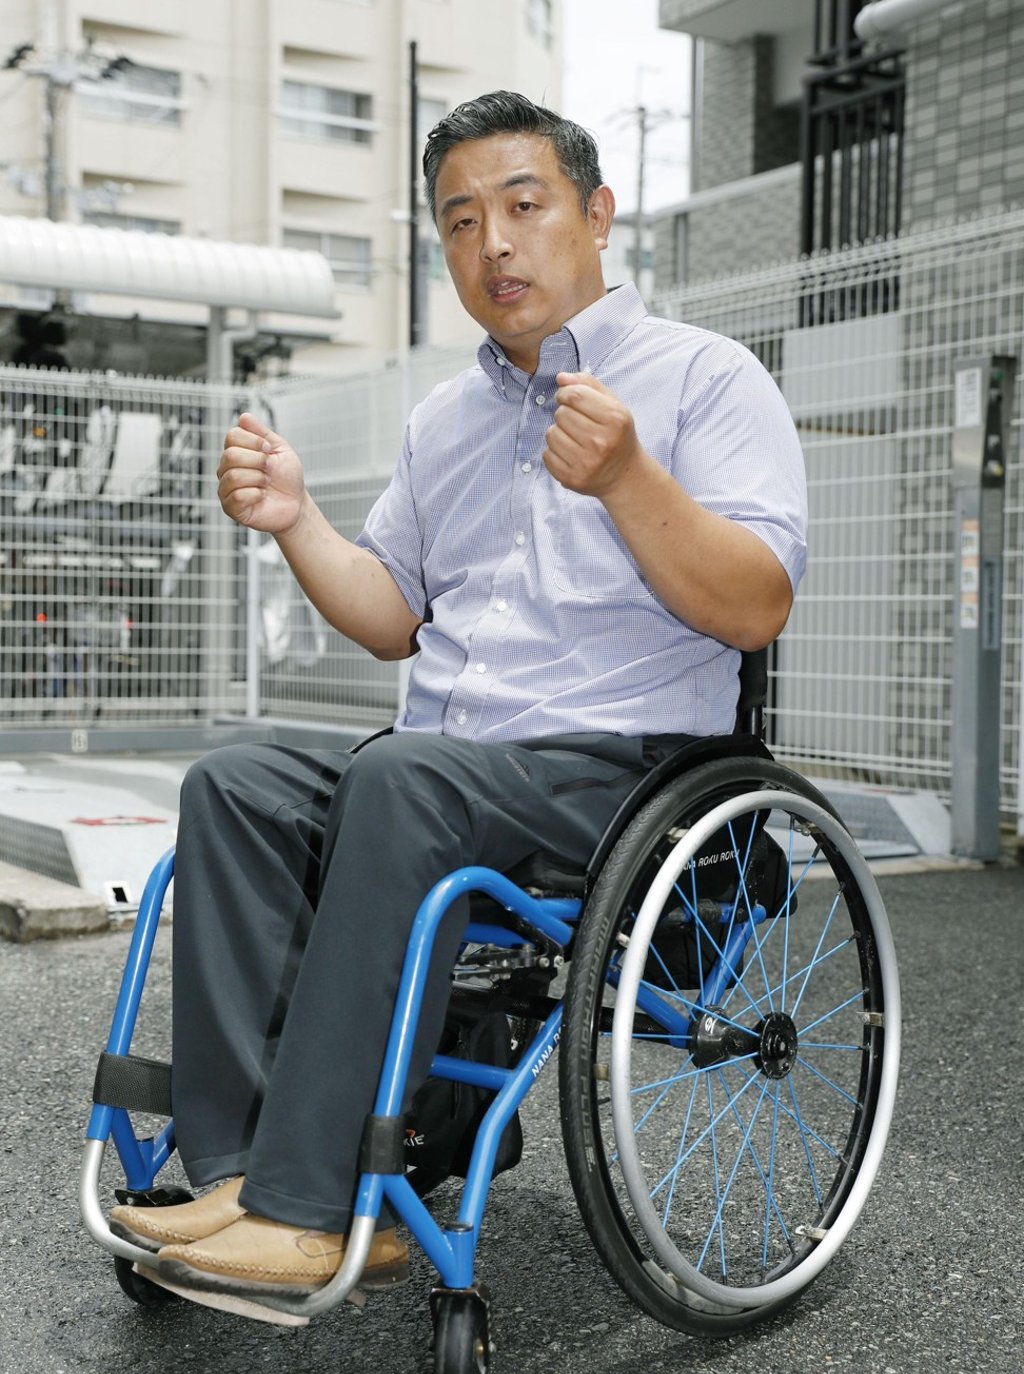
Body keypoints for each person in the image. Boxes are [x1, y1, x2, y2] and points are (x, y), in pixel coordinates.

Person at [108, 91, 807, 1303]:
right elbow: (393, 610)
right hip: (448, 768)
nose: (492, 242)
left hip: (622, 773)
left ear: (595, 214)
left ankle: (313, 1197)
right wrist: (295, 521)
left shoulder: (707, 380)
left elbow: (754, 606)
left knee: (401, 776)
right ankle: (233, 1169)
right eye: (459, 219)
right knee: (237, 779)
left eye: (522, 206)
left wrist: (631, 478)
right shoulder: (450, 416)